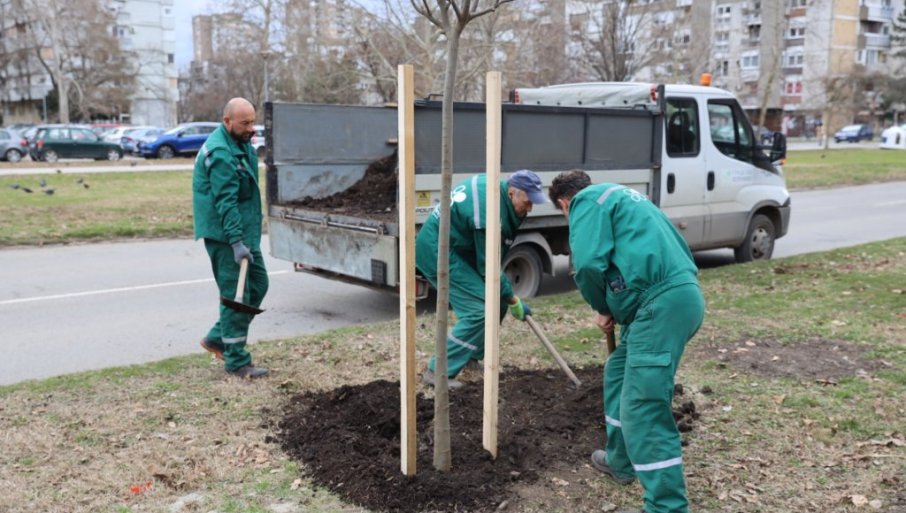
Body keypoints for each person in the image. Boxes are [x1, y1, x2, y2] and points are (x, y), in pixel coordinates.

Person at [548, 170, 705, 513]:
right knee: (618, 374)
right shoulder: (620, 196)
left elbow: (588, 264)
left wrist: (603, 306)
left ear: (564, 203)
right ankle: (620, 461)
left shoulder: (585, 202)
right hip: (669, 302)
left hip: (659, 307)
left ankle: (667, 506)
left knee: (644, 408)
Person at [418, 170, 547, 389]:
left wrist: (506, 297)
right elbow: (489, 267)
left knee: (497, 303)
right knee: (479, 312)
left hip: (461, 249)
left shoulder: (501, 197)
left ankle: (470, 357)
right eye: (527, 202)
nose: (530, 208)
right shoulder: (489, 213)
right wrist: (513, 298)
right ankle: (437, 372)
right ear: (512, 192)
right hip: (438, 251)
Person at [193, 97, 269, 379]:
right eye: (245, 123)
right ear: (227, 121)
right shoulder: (221, 154)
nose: (251, 128)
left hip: (245, 234)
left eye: (253, 121)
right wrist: (236, 242)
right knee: (235, 298)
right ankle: (237, 361)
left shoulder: (240, 143)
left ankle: (216, 338)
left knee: (258, 284)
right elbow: (226, 203)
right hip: (226, 236)